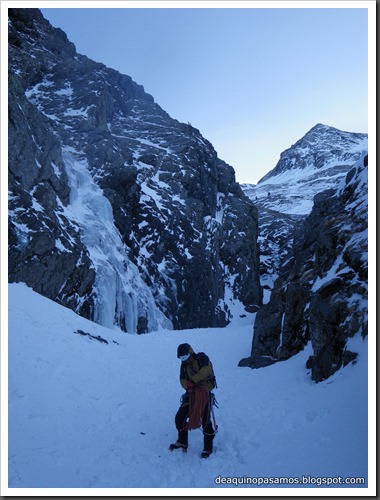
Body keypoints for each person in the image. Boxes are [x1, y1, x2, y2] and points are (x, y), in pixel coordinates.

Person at [170, 343, 216, 458]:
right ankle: (182, 441)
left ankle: (208, 447)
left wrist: (193, 382)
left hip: (204, 393)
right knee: (180, 418)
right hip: (191, 394)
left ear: (190, 352)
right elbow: (182, 379)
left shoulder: (202, 358)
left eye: (185, 357)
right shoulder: (184, 365)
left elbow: (206, 370)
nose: (183, 360)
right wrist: (187, 386)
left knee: (205, 420)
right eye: (181, 358)